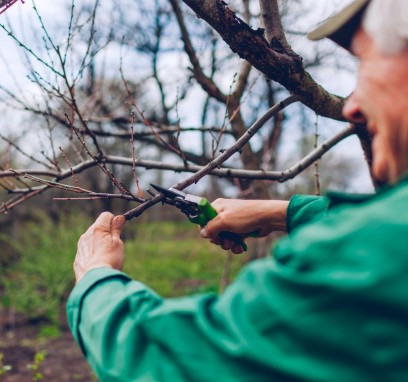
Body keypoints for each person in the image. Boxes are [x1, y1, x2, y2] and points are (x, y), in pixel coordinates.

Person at [66, 0, 408, 380]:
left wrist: (96, 279)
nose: (352, 106)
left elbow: (177, 364)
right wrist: (284, 213)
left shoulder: (370, 251)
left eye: (366, 63)